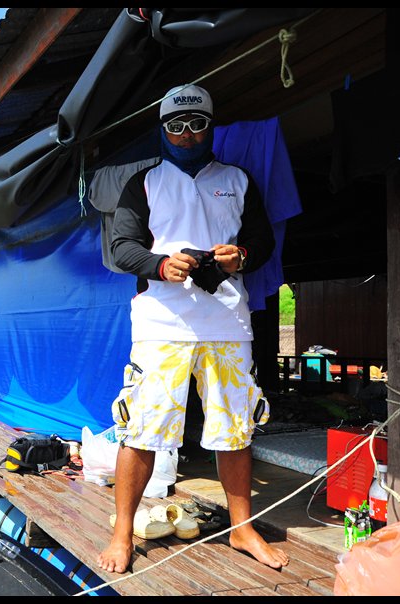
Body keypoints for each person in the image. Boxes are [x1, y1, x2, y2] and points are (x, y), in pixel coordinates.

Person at [97, 84, 289, 572]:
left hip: (227, 322)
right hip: (161, 324)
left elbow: (263, 242)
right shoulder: (143, 182)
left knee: (235, 429)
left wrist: (240, 255)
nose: (186, 135)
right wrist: (160, 265)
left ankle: (242, 530)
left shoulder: (238, 179)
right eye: (175, 126)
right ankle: (122, 534)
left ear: (211, 126)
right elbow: (121, 248)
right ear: (163, 131)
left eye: (197, 124)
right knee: (142, 428)